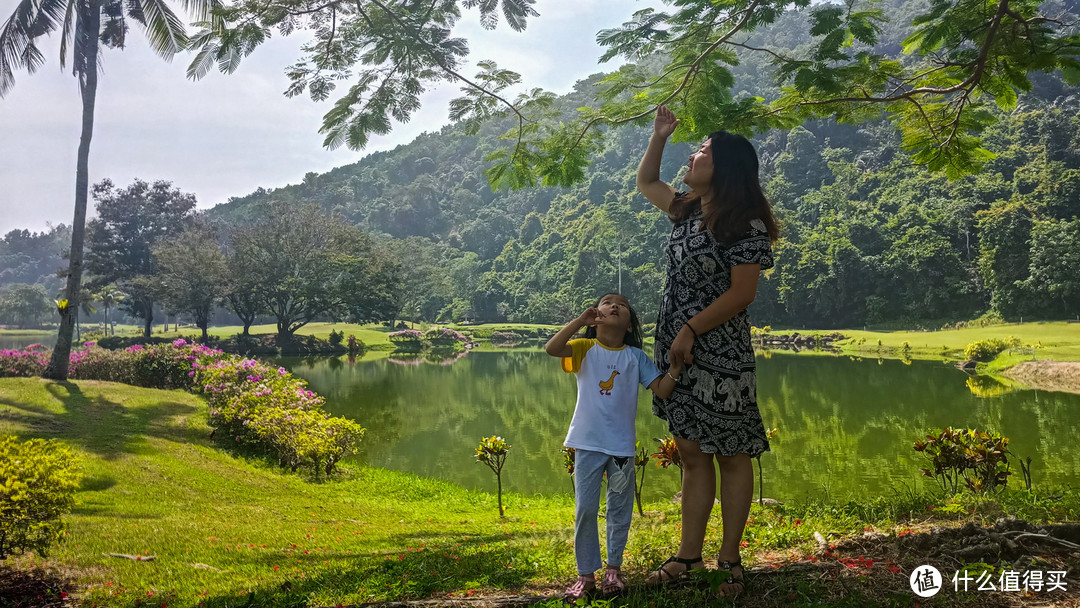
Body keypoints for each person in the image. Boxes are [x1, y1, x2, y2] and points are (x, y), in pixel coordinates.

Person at [636, 105, 779, 597]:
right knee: (693, 452)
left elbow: (742, 294)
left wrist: (691, 330)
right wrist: (658, 137)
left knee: (733, 455)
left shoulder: (746, 223)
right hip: (679, 346)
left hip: (720, 351)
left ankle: (730, 561)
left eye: (702, 152)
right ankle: (688, 555)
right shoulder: (686, 209)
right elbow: (647, 183)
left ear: (727, 168)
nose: (692, 156)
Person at [545, 293, 683, 600]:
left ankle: (613, 570)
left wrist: (674, 369)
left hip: (621, 449)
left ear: (630, 322)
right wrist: (580, 322)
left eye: (621, 304)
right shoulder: (584, 348)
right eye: (608, 302)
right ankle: (586, 575)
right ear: (597, 315)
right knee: (585, 509)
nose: (614, 305)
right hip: (587, 444)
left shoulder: (634, 357)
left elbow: (660, 388)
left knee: (619, 510)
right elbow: (552, 348)